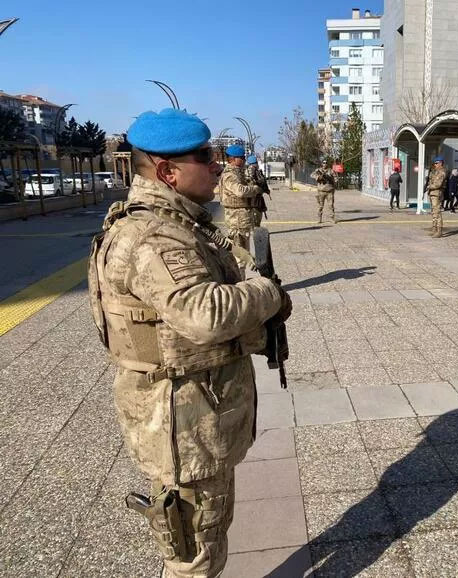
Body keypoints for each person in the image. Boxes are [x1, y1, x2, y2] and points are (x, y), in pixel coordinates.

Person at [87, 108, 292, 577]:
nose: (219, 164)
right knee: (194, 559)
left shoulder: (179, 223)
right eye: (206, 156)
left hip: (194, 414)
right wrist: (268, 293)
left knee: (204, 539)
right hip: (183, 423)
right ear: (167, 172)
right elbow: (206, 314)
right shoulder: (156, 236)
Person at [219, 145, 264, 274]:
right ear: (233, 159)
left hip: (241, 218)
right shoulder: (230, 175)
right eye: (241, 158)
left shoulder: (237, 173)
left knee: (244, 253)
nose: (244, 160)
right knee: (240, 255)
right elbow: (240, 191)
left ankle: (241, 280)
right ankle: (239, 283)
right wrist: (255, 190)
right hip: (236, 219)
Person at [243, 155, 269, 226]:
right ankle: (255, 233)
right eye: (256, 162)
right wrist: (259, 187)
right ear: (254, 163)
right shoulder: (250, 170)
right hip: (253, 200)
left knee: (257, 218)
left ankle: (256, 230)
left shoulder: (256, 171)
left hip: (257, 199)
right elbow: (251, 184)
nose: (257, 164)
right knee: (255, 219)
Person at [426, 156, 448, 237]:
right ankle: (434, 229)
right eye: (434, 163)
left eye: (436, 163)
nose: (435, 165)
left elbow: (438, 184)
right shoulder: (435, 172)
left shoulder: (441, 172)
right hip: (432, 193)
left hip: (437, 193)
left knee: (437, 212)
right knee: (433, 212)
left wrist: (429, 186)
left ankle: (439, 231)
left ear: (440, 163)